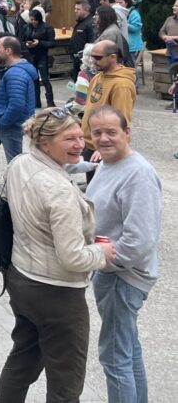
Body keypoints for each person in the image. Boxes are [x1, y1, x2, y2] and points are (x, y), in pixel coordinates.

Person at [0, 108, 115, 402]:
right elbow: (73, 258)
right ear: (45, 143)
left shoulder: (20, 163)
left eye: (79, 136)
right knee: (66, 381)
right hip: (57, 292)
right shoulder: (57, 189)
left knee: (22, 358)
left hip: (21, 277)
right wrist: (101, 252)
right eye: (69, 139)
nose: (79, 144)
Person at [86, 106, 162, 403]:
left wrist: (99, 260)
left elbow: (138, 241)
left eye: (111, 132)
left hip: (122, 277)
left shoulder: (138, 175)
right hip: (111, 272)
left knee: (115, 357)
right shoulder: (107, 163)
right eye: (97, 133)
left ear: (127, 133)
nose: (104, 139)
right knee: (128, 349)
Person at [82, 40, 137, 165]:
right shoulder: (98, 77)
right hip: (90, 146)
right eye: (92, 57)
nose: (93, 61)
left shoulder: (121, 85)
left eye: (97, 57)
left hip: (105, 149)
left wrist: (105, 149)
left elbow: (122, 120)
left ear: (112, 57)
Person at [0, 37, 37, 161]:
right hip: (14, 123)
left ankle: (14, 181)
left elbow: (17, 104)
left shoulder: (15, 74)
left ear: (8, 50)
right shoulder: (14, 70)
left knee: (15, 162)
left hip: (12, 125)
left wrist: (3, 123)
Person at [23, 6, 56, 108]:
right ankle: (36, 102)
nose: (32, 21)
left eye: (34, 20)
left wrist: (39, 43)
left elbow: (52, 43)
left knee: (45, 80)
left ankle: (50, 102)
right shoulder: (29, 27)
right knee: (34, 80)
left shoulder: (47, 28)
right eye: (31, 19)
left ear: (38, 19)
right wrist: (27, 44)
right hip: (32, 55)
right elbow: (24, 38)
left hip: (42, 55)